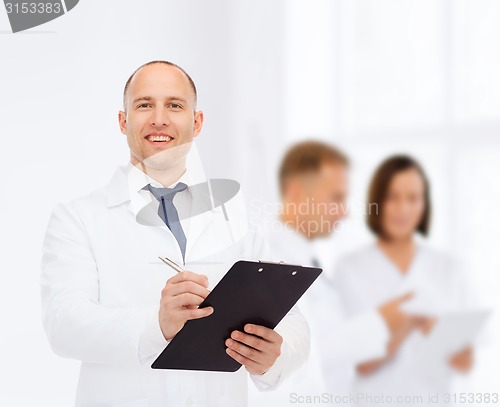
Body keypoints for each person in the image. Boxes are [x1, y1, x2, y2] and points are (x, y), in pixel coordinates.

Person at [40, 60, 309, 407]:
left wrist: (275, 355)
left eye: (175, 105)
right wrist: (157, 324)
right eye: (144, 105)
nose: (159, 118)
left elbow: (295, 321)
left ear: (196, 123)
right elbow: (64, 325)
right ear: (123, 122)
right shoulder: (77, 218)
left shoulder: (235, 215)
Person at [249, 142, 415, 406]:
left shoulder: (309, 259)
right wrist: (381, 322)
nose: (344, 211)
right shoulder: (271, 261)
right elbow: (300, 352)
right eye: (335, 198)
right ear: (295, 193)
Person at [333, 155, 474, 406]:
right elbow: (358, 363)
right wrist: (409, 322)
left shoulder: (449, 268)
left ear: (424, 204)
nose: (403, 209)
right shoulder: (350, 268)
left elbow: (464, 362)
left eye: (412, 198)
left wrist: (439, 335)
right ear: (377, 201)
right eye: (392, 197)